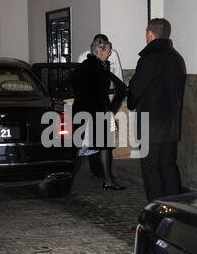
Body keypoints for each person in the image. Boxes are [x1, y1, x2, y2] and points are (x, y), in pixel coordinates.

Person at [127, 18, 186, 202]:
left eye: (146, 34)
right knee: (168, 165)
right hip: (171, 122)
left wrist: (131, 102)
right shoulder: (177, 59)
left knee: (151, 167)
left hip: (150, 122)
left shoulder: (149, 59)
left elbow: (136, 89)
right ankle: (174, 207)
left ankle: (156, 209)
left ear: (150, 34)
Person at [72, 36, 127, 190]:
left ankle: (67, 179)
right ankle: (107, 179)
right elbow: (120, 89)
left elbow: (74, 82)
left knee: (78, 146)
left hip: (82, 111)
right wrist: (111, 109)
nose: (110, 54)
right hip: (99, 112)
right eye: (108, 51)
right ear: (101, 52)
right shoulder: (101, 68)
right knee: (104, 146)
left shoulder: (83, 66)